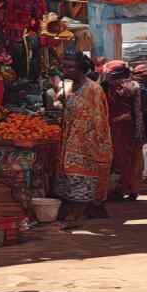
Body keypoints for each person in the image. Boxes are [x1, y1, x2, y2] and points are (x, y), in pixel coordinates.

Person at [55, 52, 112, 230]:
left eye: (70, 67)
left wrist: (94, 146)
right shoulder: (70, 88)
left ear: (81, 68)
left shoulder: (93, 89)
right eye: (64, 66)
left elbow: (100, 120)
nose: (66, 70)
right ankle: (79, 212)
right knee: (70, 178)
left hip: (87, 144)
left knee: (81, 178)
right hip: (70, 141)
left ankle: (77, 216)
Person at [102, 60, 144, 201]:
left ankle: (120, 190)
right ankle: (129, 189)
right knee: (130, 159)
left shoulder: (105, 87)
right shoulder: (134, 86)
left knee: (118, 160)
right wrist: (139, 132)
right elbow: (138, 112)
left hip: (114, 127)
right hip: (127, 127)